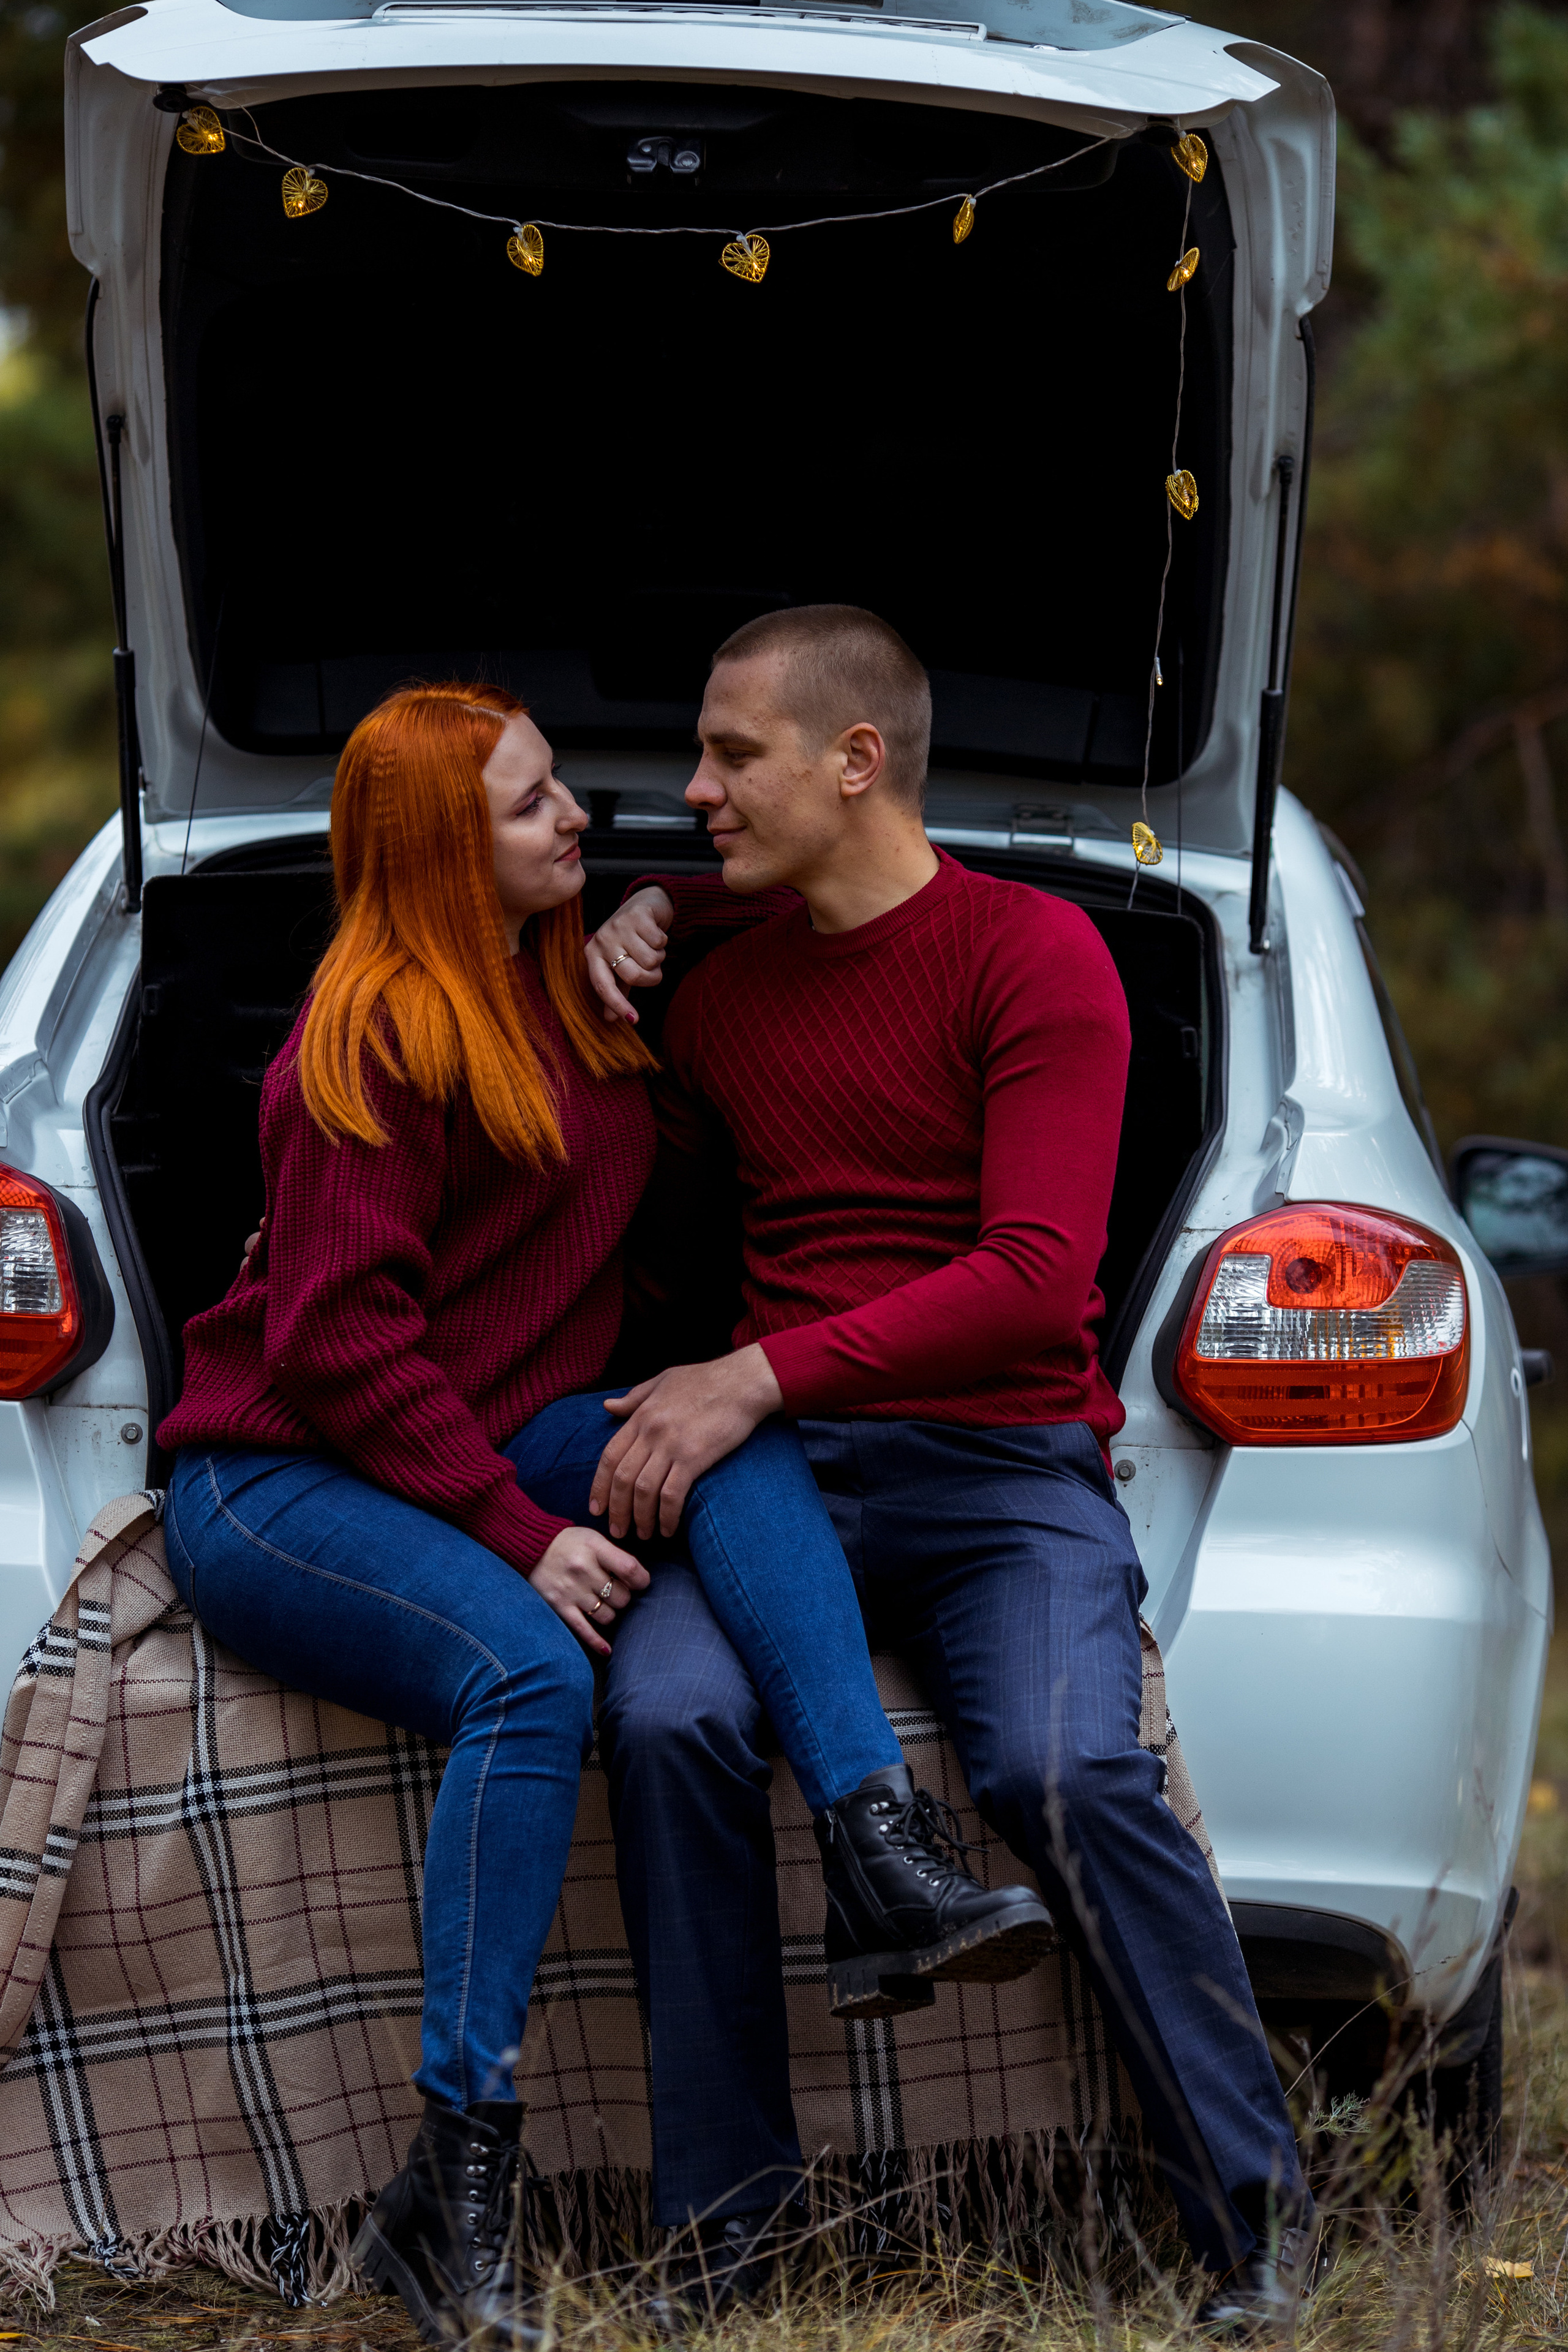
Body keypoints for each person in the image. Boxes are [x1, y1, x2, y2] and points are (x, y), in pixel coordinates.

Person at [159, 682, 1049, 2345]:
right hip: (281, 1472)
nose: (578, 815)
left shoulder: (554, 979)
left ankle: (878, 1855)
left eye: (560, 788)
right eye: (532, 805)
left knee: (717, 1413)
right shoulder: (364, 1042)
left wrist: (657, 907)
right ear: (442, 855)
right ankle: (459, 2183)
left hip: (490, 1423)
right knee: (532, 1676)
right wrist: (518, 1531)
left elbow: (795, 877)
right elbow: (339, 1350)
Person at [582, 607, 1319, 2333]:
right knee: (670, 1720)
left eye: (731, 756)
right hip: (783, 1487)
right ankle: (729, 2235)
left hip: (1000, 1474)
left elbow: (1034, 1277)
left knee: (1065, 1764)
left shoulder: (1038, 954)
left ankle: (1252, 2223)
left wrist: (750, 1374)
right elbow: (651, 1227)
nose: (691, 792)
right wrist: (628, 917)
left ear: (859, 763)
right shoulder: (719, 979)